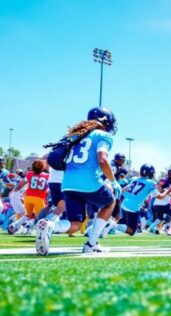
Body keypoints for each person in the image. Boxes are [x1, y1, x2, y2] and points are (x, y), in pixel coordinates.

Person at [35, 107, 120, 255]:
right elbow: (103, 159)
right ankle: (91, 244)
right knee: (110, 202)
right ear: (105, 120)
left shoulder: (76, 136)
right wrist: (113, 182)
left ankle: (50, 225)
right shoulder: (102, 135)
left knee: (75, 224)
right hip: (87, 180)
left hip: (67, 183)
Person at [117, 164, 168, 235]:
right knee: (131, 231)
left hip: (124, 203)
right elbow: (160, 196)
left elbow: (123, 190)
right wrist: (168, 191)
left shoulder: (134, 179)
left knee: (123, 222)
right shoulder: (151, 183)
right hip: (133, 206)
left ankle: (109, 225)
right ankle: (112, 225)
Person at [9, 159, 50, 234]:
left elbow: (21, 184)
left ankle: (15, 225)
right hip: (39, 199)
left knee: (28, 215)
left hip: (28, 198)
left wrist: (13, 191)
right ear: (43, 167)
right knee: (41, 217)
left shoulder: (29, 174)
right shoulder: (47, 176)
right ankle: (32, 227)